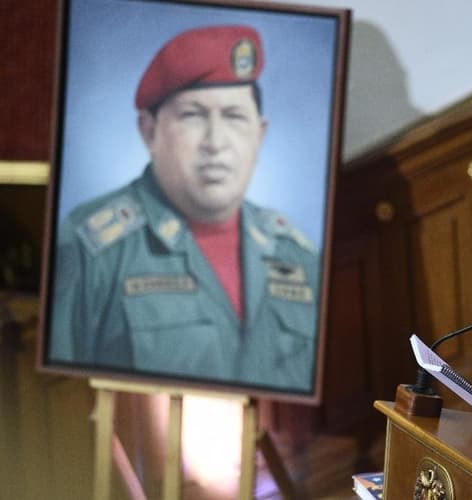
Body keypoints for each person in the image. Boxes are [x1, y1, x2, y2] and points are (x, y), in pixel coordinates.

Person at [48, 25, 321, 393]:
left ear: (260, 133)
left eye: (234, 117)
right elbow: (60, 398)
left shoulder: (295, 254)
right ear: (149, 132)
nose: (216, 142)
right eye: (192, 115)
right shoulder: (88, 248)